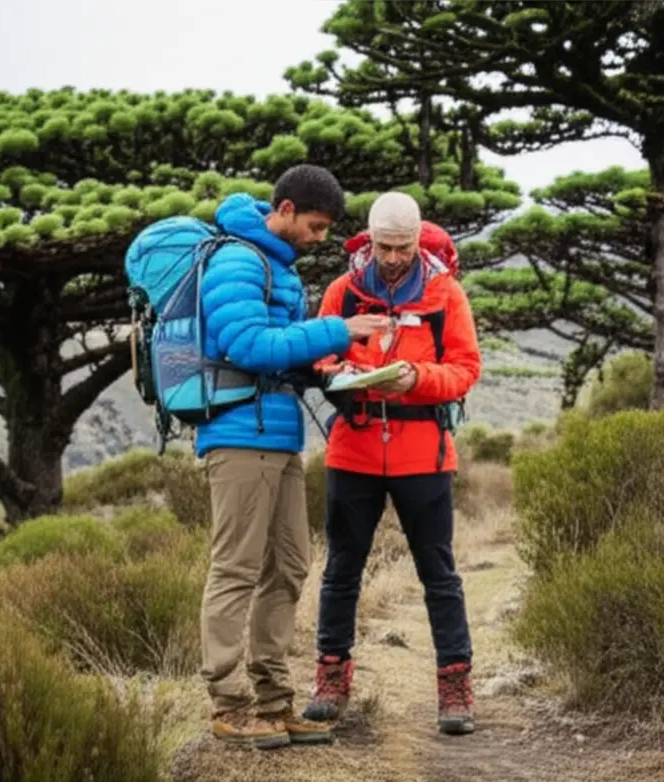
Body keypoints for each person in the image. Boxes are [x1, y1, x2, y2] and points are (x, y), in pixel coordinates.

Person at [195, 164, 391, 750]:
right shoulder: (235, 260)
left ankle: (276, 702)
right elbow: (248, 346)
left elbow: (280, 355)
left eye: (327, 228)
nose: (320, 237)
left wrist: (339, 370)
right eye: (314, 225)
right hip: (236, 436)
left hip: (277, 436)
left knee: (288, 566)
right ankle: (230, 705)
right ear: (282, 209)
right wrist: (336, 329)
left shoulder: (276, 267)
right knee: (236, 567)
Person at [303, 191, 482, 735]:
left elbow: (466, 368)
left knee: (439, 573)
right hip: (353, 448)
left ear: (418, 238)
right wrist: (336, 374)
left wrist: (418, 379)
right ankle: (330, 681)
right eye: (384, 246)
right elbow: (318, 351)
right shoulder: (342, 291)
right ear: (370, 238)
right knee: (341, 570)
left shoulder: (445, 293)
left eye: (404, 246)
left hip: (422, 452)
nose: (394, 256)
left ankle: (456, 688)